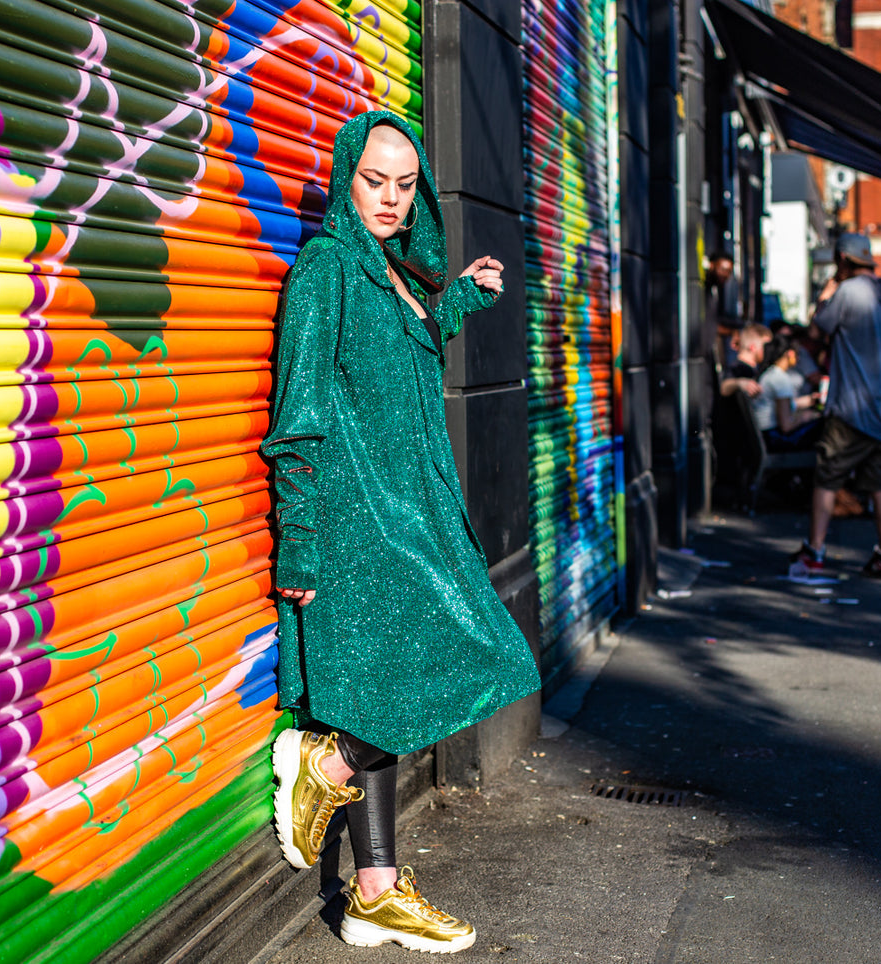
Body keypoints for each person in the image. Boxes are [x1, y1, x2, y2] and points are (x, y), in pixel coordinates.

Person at [264, 111, 539, 955]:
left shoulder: (388, 274)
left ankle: (374, 891)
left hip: (410, 516)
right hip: (359, 528)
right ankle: (328, 764)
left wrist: (455, 299)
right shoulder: (325, 270)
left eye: (402, 183)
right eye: (372, 180)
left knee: (373, 687)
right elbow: (298, 416)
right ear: (346, 179)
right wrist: (299, 539)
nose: (388, 197)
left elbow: (401, 359)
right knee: (489, 653)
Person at [789, 233, 881, 580]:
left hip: (851, 406)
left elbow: (817, 327)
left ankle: (815, 551)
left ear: (842, 259)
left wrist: (825, 297)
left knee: (827, 477)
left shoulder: (848, 292)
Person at [755, 329, 822, 450]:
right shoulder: (781, 379)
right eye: (798, 353)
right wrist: (809, 416)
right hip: (775, 440)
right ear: (790, 354)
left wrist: (810, 400)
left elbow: (782, 405)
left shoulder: (769, 374)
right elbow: (786, 426)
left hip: (765, 436)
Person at [720, 323, 773, 399]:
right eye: (766, 346)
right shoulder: (737, 367)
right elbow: (724, 387)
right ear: (753, 347)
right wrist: (739, 383)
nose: (769, 350)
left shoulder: (756, 368)